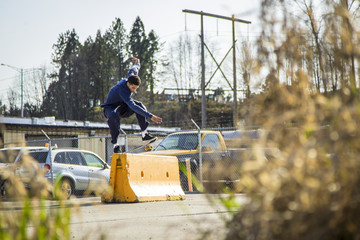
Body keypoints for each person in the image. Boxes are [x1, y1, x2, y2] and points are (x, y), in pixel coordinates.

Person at [101, 57, 162, 153]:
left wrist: (137, 62)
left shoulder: (131, 77)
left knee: (140, 105)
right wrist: (150, 116)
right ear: (128, 84)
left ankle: (144, 134)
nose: (134, 90)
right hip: (110, 109)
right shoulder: (122, 90)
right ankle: (115, 145)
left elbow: (134, 69)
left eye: (136, 88)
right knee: (114, 115)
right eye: (133, 88)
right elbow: (133, 107)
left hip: (123, 106)